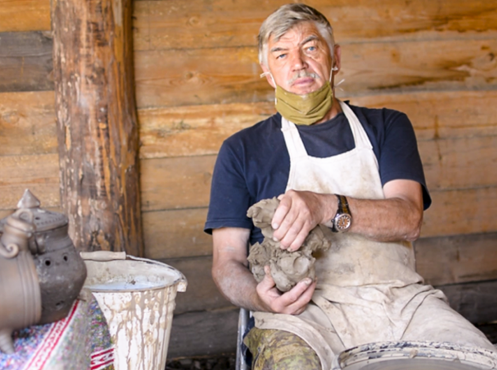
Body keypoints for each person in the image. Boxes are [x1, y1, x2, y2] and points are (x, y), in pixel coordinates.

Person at [204, 3, 495, 369]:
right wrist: (260, 299)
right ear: (268, 73)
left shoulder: (387, 127)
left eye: (311, 48)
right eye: (281, 54)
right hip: (302, 315)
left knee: (477, 360)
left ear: (335, 57)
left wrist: (326, 206)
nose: (298, 63)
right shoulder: (241, 150)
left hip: (402, 302)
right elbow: (226, 262)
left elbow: (408, 218)